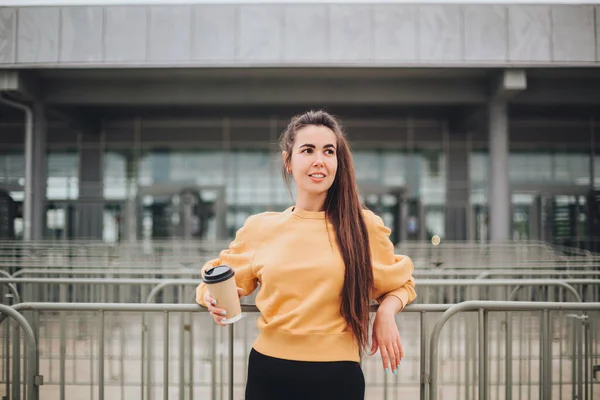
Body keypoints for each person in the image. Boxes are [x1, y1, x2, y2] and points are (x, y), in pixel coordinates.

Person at [196, 110, 416, 400]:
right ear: (289, 162)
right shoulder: (262, 227)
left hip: (339, 377)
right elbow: (214, 275)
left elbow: (402, 283)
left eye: (329, 151)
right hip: (269, 374)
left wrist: (387, 311)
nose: (319, 160)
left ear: (338, 162)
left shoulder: (363, 227)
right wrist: (212, 298)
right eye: (307, 150)